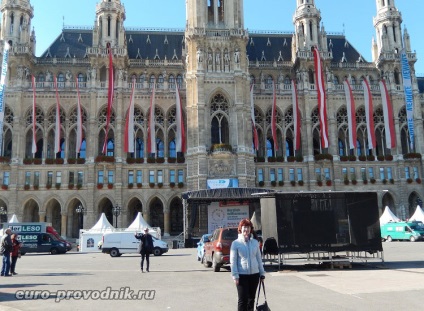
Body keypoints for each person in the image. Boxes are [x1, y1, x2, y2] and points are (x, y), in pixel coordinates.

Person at [230, 219, 265, 311]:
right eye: (244, 227)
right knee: (243, 300)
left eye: (248, 227)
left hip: (254, 275)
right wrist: (235, 276)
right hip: (241, 276)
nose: (246, 229)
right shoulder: (236, 243)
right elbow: (233, 261)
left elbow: (258, 258)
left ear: (251, 229)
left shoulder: (255, 242)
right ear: (240, 229)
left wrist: (262, 273)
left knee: (251, 300)